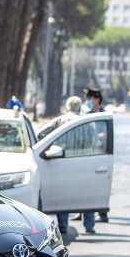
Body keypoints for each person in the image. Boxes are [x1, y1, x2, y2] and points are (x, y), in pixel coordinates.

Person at [41, 96, 83, 235]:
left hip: (62, 159)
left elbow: (42, 132)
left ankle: (63, 226)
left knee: (63, 192)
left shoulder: (61, 119)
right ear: (80, 107)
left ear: (67, 106)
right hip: (82, 160)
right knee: (85, 192)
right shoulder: (85, 121)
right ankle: (89, 224)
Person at [82, 86, 107, 229]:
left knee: (98, 186)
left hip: (100, 153)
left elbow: (106, 134)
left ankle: (102, 213)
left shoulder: (104, 114)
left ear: (97, 99)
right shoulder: (86, 113)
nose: (88, 101)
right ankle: (83, 211)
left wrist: (98, 138)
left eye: (90, 98)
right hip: (87, 152)